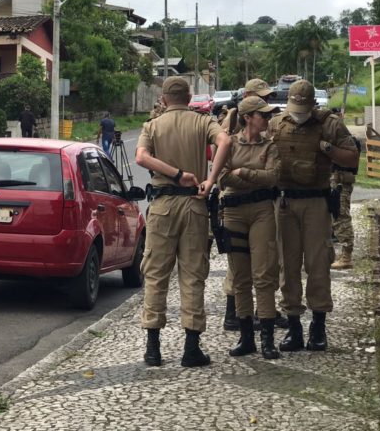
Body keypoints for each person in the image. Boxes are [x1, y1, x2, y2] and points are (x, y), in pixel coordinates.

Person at [135, 76, 230, 367]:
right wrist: (210, 180)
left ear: (163, 99)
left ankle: (153, 348)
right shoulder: (202, 122)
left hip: (162, 205)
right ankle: (191, 348)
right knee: (192, 274)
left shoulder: (152, 126)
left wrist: (174, 174)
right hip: (193, 206)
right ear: (189, 98)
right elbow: (225, 140)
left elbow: (141, 157)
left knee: (156, 274)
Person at [266, 80, 358, 352]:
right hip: (285, 202)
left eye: (303, 109)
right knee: (287, 265)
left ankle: (318, 325)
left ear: (312, 105)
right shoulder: (276, 123)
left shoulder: (329, 124)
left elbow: (352, 158)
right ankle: (293, 325)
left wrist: (327, 149)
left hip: (316, 201)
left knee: (318, 264)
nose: (298, 114)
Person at [218, 96, 282, 359]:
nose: (267, 119)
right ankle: (246, 337)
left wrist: (243, 173)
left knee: (263, 274)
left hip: (262, 212)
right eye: (263, 115)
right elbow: (222, 177)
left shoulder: (270, 146)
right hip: (233, 212)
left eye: (268, 115)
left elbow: (273, 177)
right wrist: (255, 178)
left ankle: (267, 339)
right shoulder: (229, 143)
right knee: (240, 277)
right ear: (247, 118)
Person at [330, 108, 359, 270]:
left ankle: (346, 256)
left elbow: (350, 161)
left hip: (341, 183)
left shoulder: (350, 141)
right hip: (332, 182)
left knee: (341, 217)